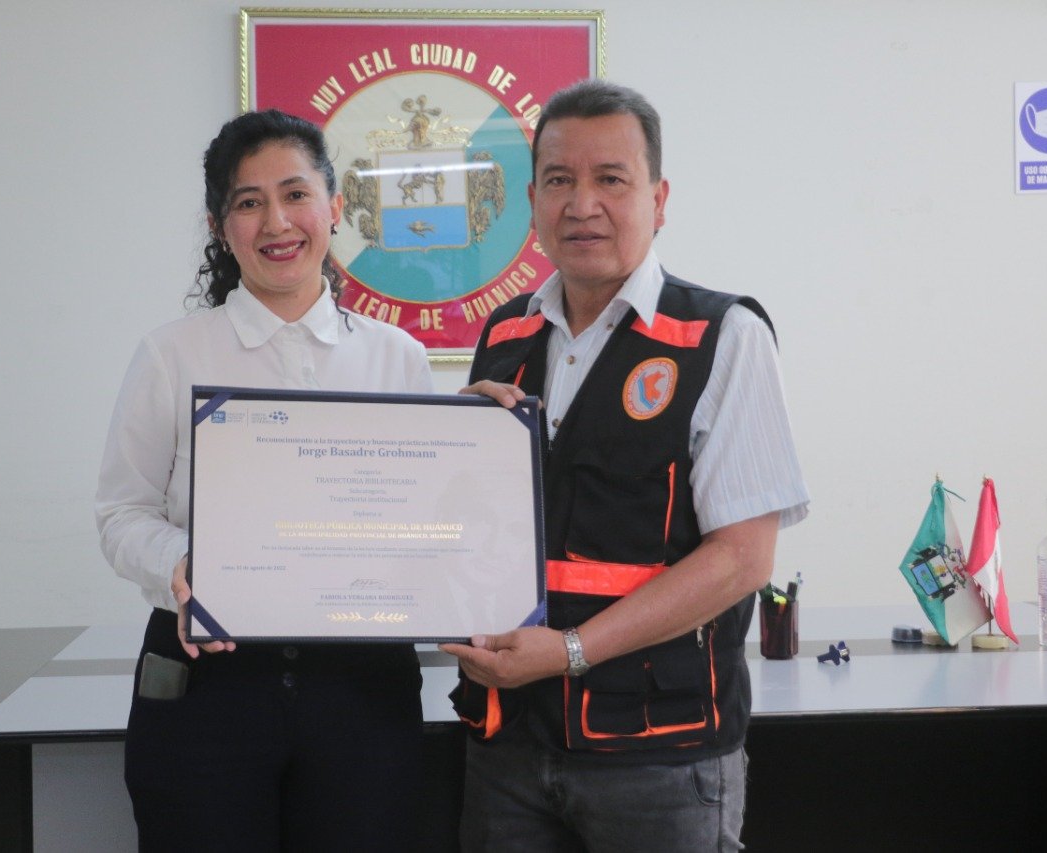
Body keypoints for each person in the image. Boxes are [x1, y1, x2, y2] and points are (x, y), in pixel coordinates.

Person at [440, 79, 810, 852]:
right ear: (533, 199)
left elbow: (743, 559)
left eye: (611, 179)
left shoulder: (723, 336)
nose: (582, 204)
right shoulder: (504, 336)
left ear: (659, 197)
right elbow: (479, 534)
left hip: (659, 757)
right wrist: (455, 446)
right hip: (508, 744)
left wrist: (570, 652)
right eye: (559, 181)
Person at [95, 109, 433, 852]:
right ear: (220, 225)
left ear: (336, 207)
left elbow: (426, 522)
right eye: (249, 202)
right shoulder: (171, 355)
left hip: (360, 688)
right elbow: (121, 513)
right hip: (207, 685)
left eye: (295, 194)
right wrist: (181, 566)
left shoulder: (397, 359)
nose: (276, 221)